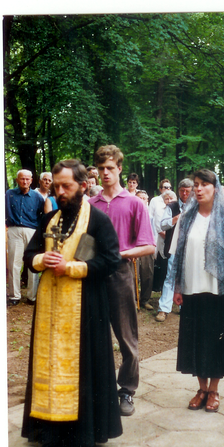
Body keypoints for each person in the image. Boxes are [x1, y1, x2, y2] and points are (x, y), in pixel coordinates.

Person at [21, 159, 123, 447]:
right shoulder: (50, 218)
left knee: (82, 369)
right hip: (49, 309)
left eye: (67, 186)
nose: (61, 191)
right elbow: (30, 254)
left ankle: (81, 437)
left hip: (85, 307)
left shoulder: (98, 221)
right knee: (49, 365)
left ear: (82, 186)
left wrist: (72, 267)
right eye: (57, 186)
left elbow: (111, 260)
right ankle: (51, 432)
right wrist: (42, 261)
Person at [88, 145, 155, 416]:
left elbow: (149, 246)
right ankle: (99, 389)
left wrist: (121, 253)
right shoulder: (90, 205)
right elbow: (84, 244)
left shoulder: (135, 203)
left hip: (120, 273)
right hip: (93, 276)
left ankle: (127, 389)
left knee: (127, 335)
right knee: (94, 334)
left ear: (119, 169)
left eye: (110, 168)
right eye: (101, 168)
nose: (105, 173)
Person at [170, 169, 224, 413]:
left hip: (218, 289)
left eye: (204, 185)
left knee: (216, 340)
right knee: (195, 339)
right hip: (191, 289)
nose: (198, 189)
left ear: (215, 187)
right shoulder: (186, 217)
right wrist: (178, 287)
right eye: (196, 185)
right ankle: (201, 389)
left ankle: (214, 390)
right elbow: (178, 256)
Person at [156, 178, 193, 322]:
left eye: (187, 191)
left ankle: (186, 307)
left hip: (191, 248)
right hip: (174, 246)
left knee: (188, 277)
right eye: (182, 191)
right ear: (178, 191)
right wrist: (176, 218)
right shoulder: (171, 206)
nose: (184, 194)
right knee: (170, 277)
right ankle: (164, 309)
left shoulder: (197, 206)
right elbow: (163, 225)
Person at [5, 169, 44, 306]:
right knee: (14, 264)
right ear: (17, 180)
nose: (25, 181)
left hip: (32, 231)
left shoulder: (37, 196)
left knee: (32, 263)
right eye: (22, 179)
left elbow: (42, 215)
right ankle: (14, 296)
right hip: (14, 229)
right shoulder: (9, 194)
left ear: (32, 180)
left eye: (27, 179)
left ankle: (32, 296)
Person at [153, 189, 177, 293]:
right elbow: (160, 228)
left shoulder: (178, 209)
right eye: (166, 198)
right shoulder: (160, 211)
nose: (169, 200)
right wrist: (169, 239)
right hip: (164, 242)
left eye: (171, 198)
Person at [135, 189, 155, 310]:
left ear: (147, 201)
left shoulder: (151, 215)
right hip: (134, 247)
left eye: (144, 198)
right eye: (139, 198)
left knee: (148, 273)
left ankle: (145, 299)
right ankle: (133, 299)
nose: (141, 200)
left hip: (148, 247)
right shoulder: (130, 212)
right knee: (134, 275)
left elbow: (155, 232)